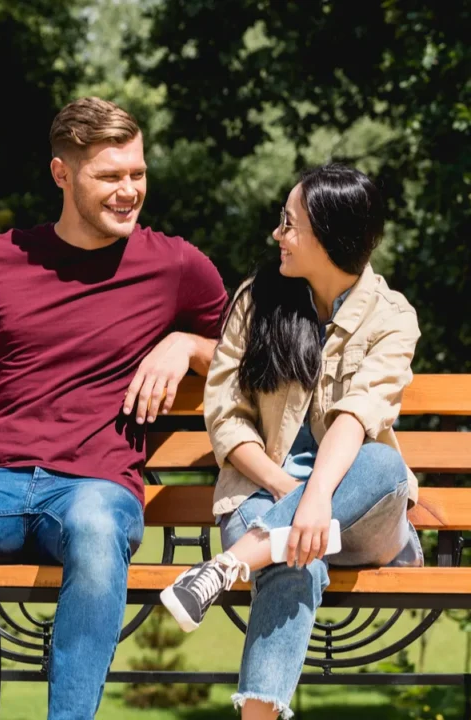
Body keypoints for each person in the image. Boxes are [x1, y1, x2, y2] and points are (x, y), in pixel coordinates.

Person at [0, 97, 229, 719]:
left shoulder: (175, 265)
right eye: (110, 177)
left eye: (137, 174)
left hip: (95, 489)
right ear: (62, 174)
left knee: (94, 524)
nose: (128, 191)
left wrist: (186, 343)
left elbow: (254, 359)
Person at [160, 163, 424, 719]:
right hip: (262, 496)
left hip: (358, 511)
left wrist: (318, 497)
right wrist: (291, 493)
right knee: (295, 558)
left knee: (383, 464)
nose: (277, 234)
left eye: (290, 224)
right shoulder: (258, 301)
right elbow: (225, 414)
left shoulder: (393, 317)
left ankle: (228, 566)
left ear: (330, 236)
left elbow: (358, 415)